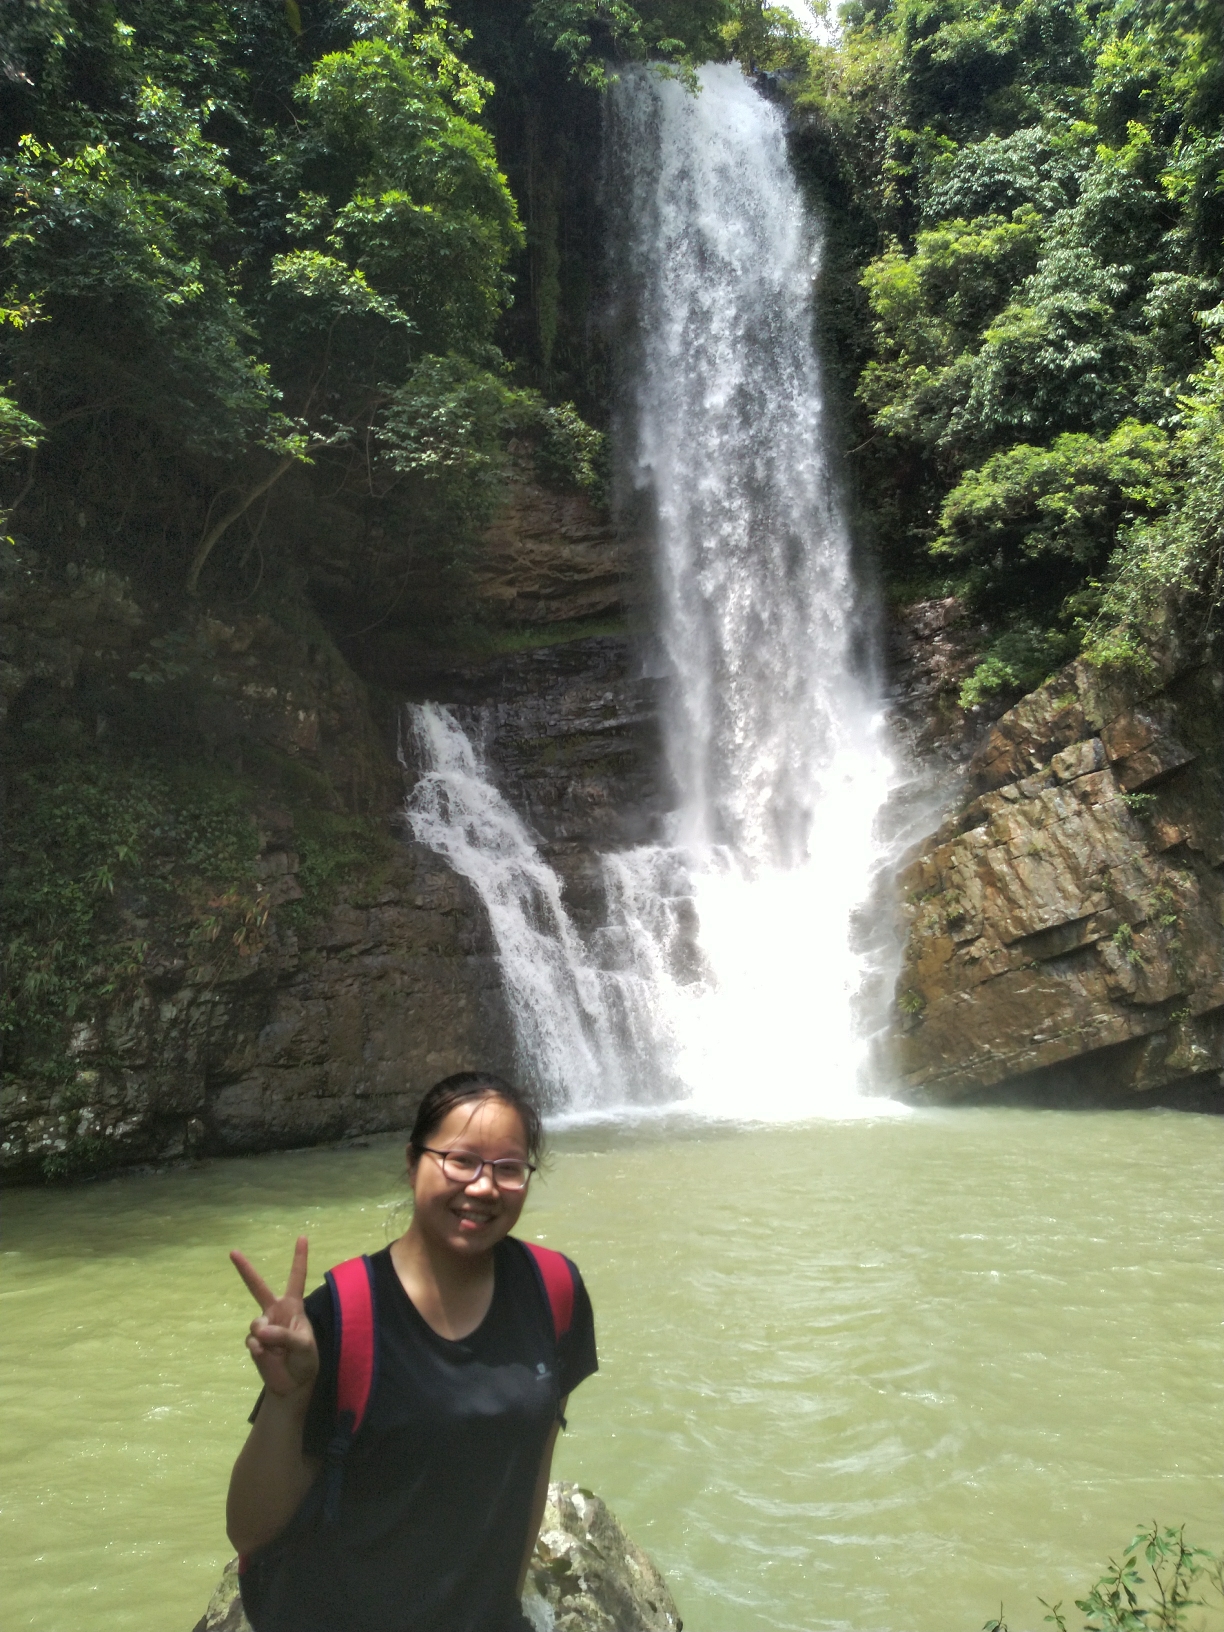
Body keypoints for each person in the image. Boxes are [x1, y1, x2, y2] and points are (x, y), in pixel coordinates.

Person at [226, 1071, 598, 1632]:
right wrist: (289, 1397)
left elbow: (536, 1450)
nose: (483, 1187)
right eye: (460, 1160)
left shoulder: (554, 1292)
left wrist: (505, 1605)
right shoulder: (342, 1315)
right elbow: (249, 1531)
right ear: (412, 1162)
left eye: (508, 1168)